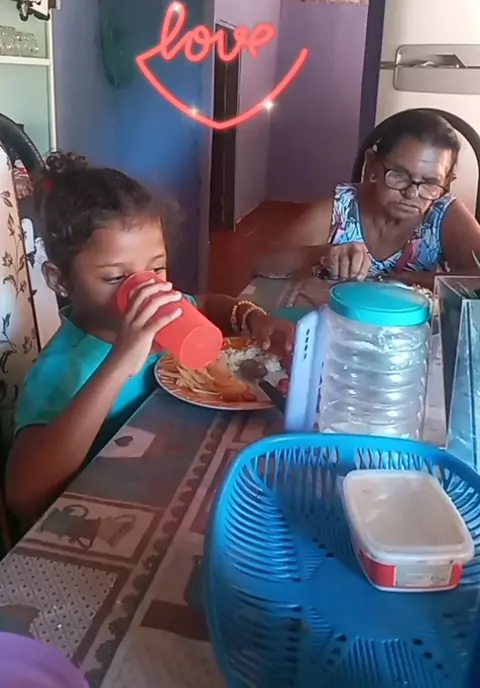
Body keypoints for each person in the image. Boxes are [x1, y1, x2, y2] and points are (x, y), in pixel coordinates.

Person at [6, 153, 293, 522]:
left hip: (177, 474)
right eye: (116, 278)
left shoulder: (164, 317)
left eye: (156, 268)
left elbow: (207, 304)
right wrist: (120, 361)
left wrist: (252, 317)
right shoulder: (60, 370)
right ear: (59, 280)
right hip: (112, 515)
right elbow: (24, 496)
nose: (146, 291)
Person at [258, 109, 480, 285]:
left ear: (446, 182)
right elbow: (264, 262)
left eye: (430, 182)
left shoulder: (443, 215)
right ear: (373, 164)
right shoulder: (344, 207)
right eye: (398, 174)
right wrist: (321, 254)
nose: (411, 193)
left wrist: (407, 280)